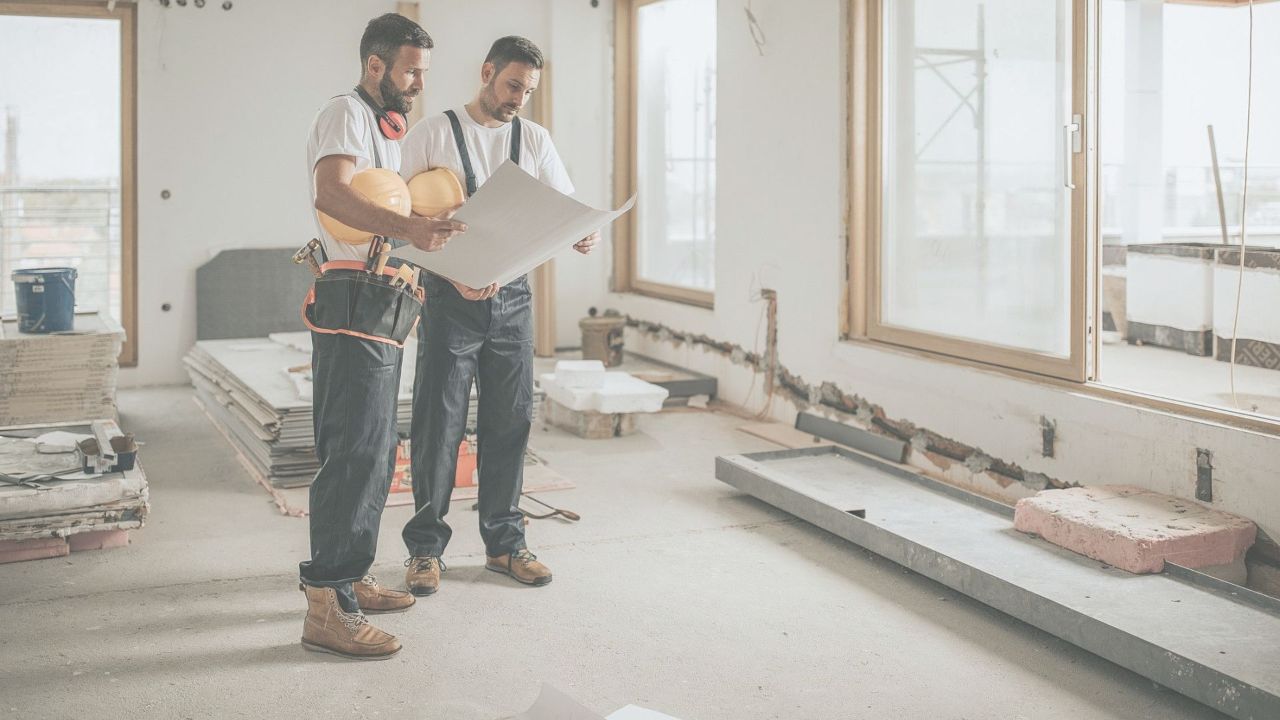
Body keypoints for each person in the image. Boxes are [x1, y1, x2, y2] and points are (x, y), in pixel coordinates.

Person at [398, 35, 597, 596]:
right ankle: (424, 551)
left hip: (512, 301)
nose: (519, 99)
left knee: (510, 421)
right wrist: (448, 269)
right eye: (512, 85)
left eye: (528, 90)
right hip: (448, 298)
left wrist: (583, 232)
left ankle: (506, 545)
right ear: (486, 72)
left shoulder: (533, 139)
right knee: (439, 425)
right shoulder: (433, 133)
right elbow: (398, 217)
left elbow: (564, 207)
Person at [298, 13, 465, 660]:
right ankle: (327, 604)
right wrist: (412, 232)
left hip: (385, 293)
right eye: (411, 70)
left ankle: (353, 576)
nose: (420, 83)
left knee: (376, 450)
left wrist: (425, 225)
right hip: (351, 292)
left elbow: (387, 205)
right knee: (352, 450)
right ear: (376, 65)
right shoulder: (345, 111)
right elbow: (333, 195)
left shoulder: (384, 130)